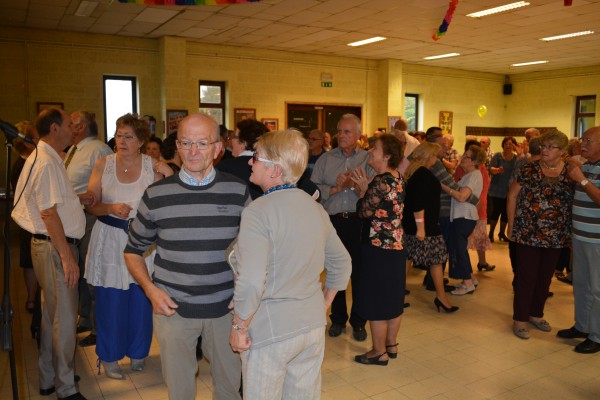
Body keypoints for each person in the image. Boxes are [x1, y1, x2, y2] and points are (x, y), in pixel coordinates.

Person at [124, 113, 248, 400]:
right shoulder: (156, 195)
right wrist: (151, 291)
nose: (193, 152)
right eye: (186, 143)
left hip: (226, 310)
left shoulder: (238, 191)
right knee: (179, 392)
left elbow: (253, 250)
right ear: (177, 146)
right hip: (173, 310)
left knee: (230, 389)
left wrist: (245, 293)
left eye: (202, 143)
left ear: (218, 148)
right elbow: (132, 251)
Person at [229, 130, 351, 397]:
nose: (250, 162)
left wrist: (239, 327)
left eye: (257, 158)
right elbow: (342, 262)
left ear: (274, 170)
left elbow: (251, 281)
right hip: (311, 327)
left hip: (271, 331)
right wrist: (324, 303)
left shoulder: (258, 212)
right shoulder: (315, 207)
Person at [84, 113, 171, 379]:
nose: (121, 140)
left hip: (141, 240)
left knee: (141, 299)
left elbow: (164, 202)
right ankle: (109, 357)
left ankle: (138, 353)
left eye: (128, 136)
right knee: (111, 301)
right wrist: (108, 207)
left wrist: (168, 171)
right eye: (119, 135)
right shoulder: (103, 164)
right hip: (110, 236)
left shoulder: (152, 167)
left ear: (141, 141)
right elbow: (91, 202)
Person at [11, 108, 90, 400]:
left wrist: (77, 200)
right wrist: (67, 257)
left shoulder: (48, 158)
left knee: (50, 316)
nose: (75, 129)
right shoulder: (45, 161)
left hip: (49, 246)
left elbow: (53, 203)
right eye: (70, 125)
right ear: (55, 129)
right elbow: (47, 213)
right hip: (56, 247)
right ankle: (66, 388)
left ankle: (48, 377)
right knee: (65, 319)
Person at [311, 113, 373, 342]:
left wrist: (358, 187)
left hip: (359, 221)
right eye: (339, 131)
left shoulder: (368, 159)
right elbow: (314, 189)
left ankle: (358, 321)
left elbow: (375, 191)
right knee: (335, 270)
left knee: (360, 274)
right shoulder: (325, 160)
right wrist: (336, 188)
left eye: (347, 132)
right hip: (333, 221)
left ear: (358, 135)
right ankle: (337, 319)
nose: (342, 135)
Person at [507, 129, 574, 340]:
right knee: (526, 276)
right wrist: (511, 225)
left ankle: (536, 314)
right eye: (544, 146)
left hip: (556, 234)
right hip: (528, 232)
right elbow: (512, 196)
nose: (544, 150)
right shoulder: (529, 168)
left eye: (550, 147)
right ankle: (519, 319)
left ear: (562, 151)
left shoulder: (571, 172)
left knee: (545, 278)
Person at [348, 134, 406, 365]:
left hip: (378, 248)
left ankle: (378, 352)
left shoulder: (380, 181)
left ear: (387, 156)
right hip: (396, 245)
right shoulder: (398, 177)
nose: (370, 151)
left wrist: (363, 190)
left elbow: (363, 212)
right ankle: (391, 344)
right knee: (392, 297)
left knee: (376, 298)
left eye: (375, 149)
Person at [66, 110, 113, 348]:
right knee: (83, 271)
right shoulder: (75, 151)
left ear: (81, 126)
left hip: (91, 217)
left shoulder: (97, 149)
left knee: (93, 271)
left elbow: (109, 182)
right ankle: (85, 318)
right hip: (76, 218)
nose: (67, 128)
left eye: (71, 124)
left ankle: (97, 326)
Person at [557, 126, 600, 353]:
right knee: (581, 285)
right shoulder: (590, 166)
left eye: (588, 140)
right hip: (581, 237)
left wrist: (581, 180)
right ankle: (582, 326)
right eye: (582, 140)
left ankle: (597, 335)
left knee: (597, 289)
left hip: (597, 241)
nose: (582, 144)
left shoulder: (588, 172)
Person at [403, 142, 456, 312]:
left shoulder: (415, 172)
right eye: (435, 155)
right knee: (436, 260)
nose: (437, 159)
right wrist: (421, 228)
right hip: (425, 225)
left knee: (408, 258)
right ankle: (441, 297)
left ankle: (398, 295)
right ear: (427, 156)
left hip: (417, 224)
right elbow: (418, 202)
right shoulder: (423, 174)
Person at [441, 145, 486, 295]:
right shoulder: (468, 175)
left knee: (459, 250)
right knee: (460, 249)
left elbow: (461, 196)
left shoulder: (474, 175)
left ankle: (468, 284)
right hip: (461, 216)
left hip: (465, 217)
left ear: (474, 161)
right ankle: (470, 279)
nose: (463, 157)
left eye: (467, 156)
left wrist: (444, 187)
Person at [10, 121, 39, 316]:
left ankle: (31, 298)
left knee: (29, 260)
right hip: (31, 219)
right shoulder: (25, 165)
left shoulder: (21, 163)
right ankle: (33, 297)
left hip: (28, 219)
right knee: (30, 260)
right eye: (35, 137)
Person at [216, 118, 269, 199]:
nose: (230, 141)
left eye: (234, 137)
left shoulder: (224, 167)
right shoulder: (269, 165)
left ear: (243, 143)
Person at [488, 136, 519, 242]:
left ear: (514, 146)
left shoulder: (516, 158)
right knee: (496, 211)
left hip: (509, 190)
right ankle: (491, 232)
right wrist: (497, 170)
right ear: (503, 145)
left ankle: (502, 233)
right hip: (496, 189)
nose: (508, 146)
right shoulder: (497, 156)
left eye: (510, 144)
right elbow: (490, 169)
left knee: (506, 213)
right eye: (506, 143)